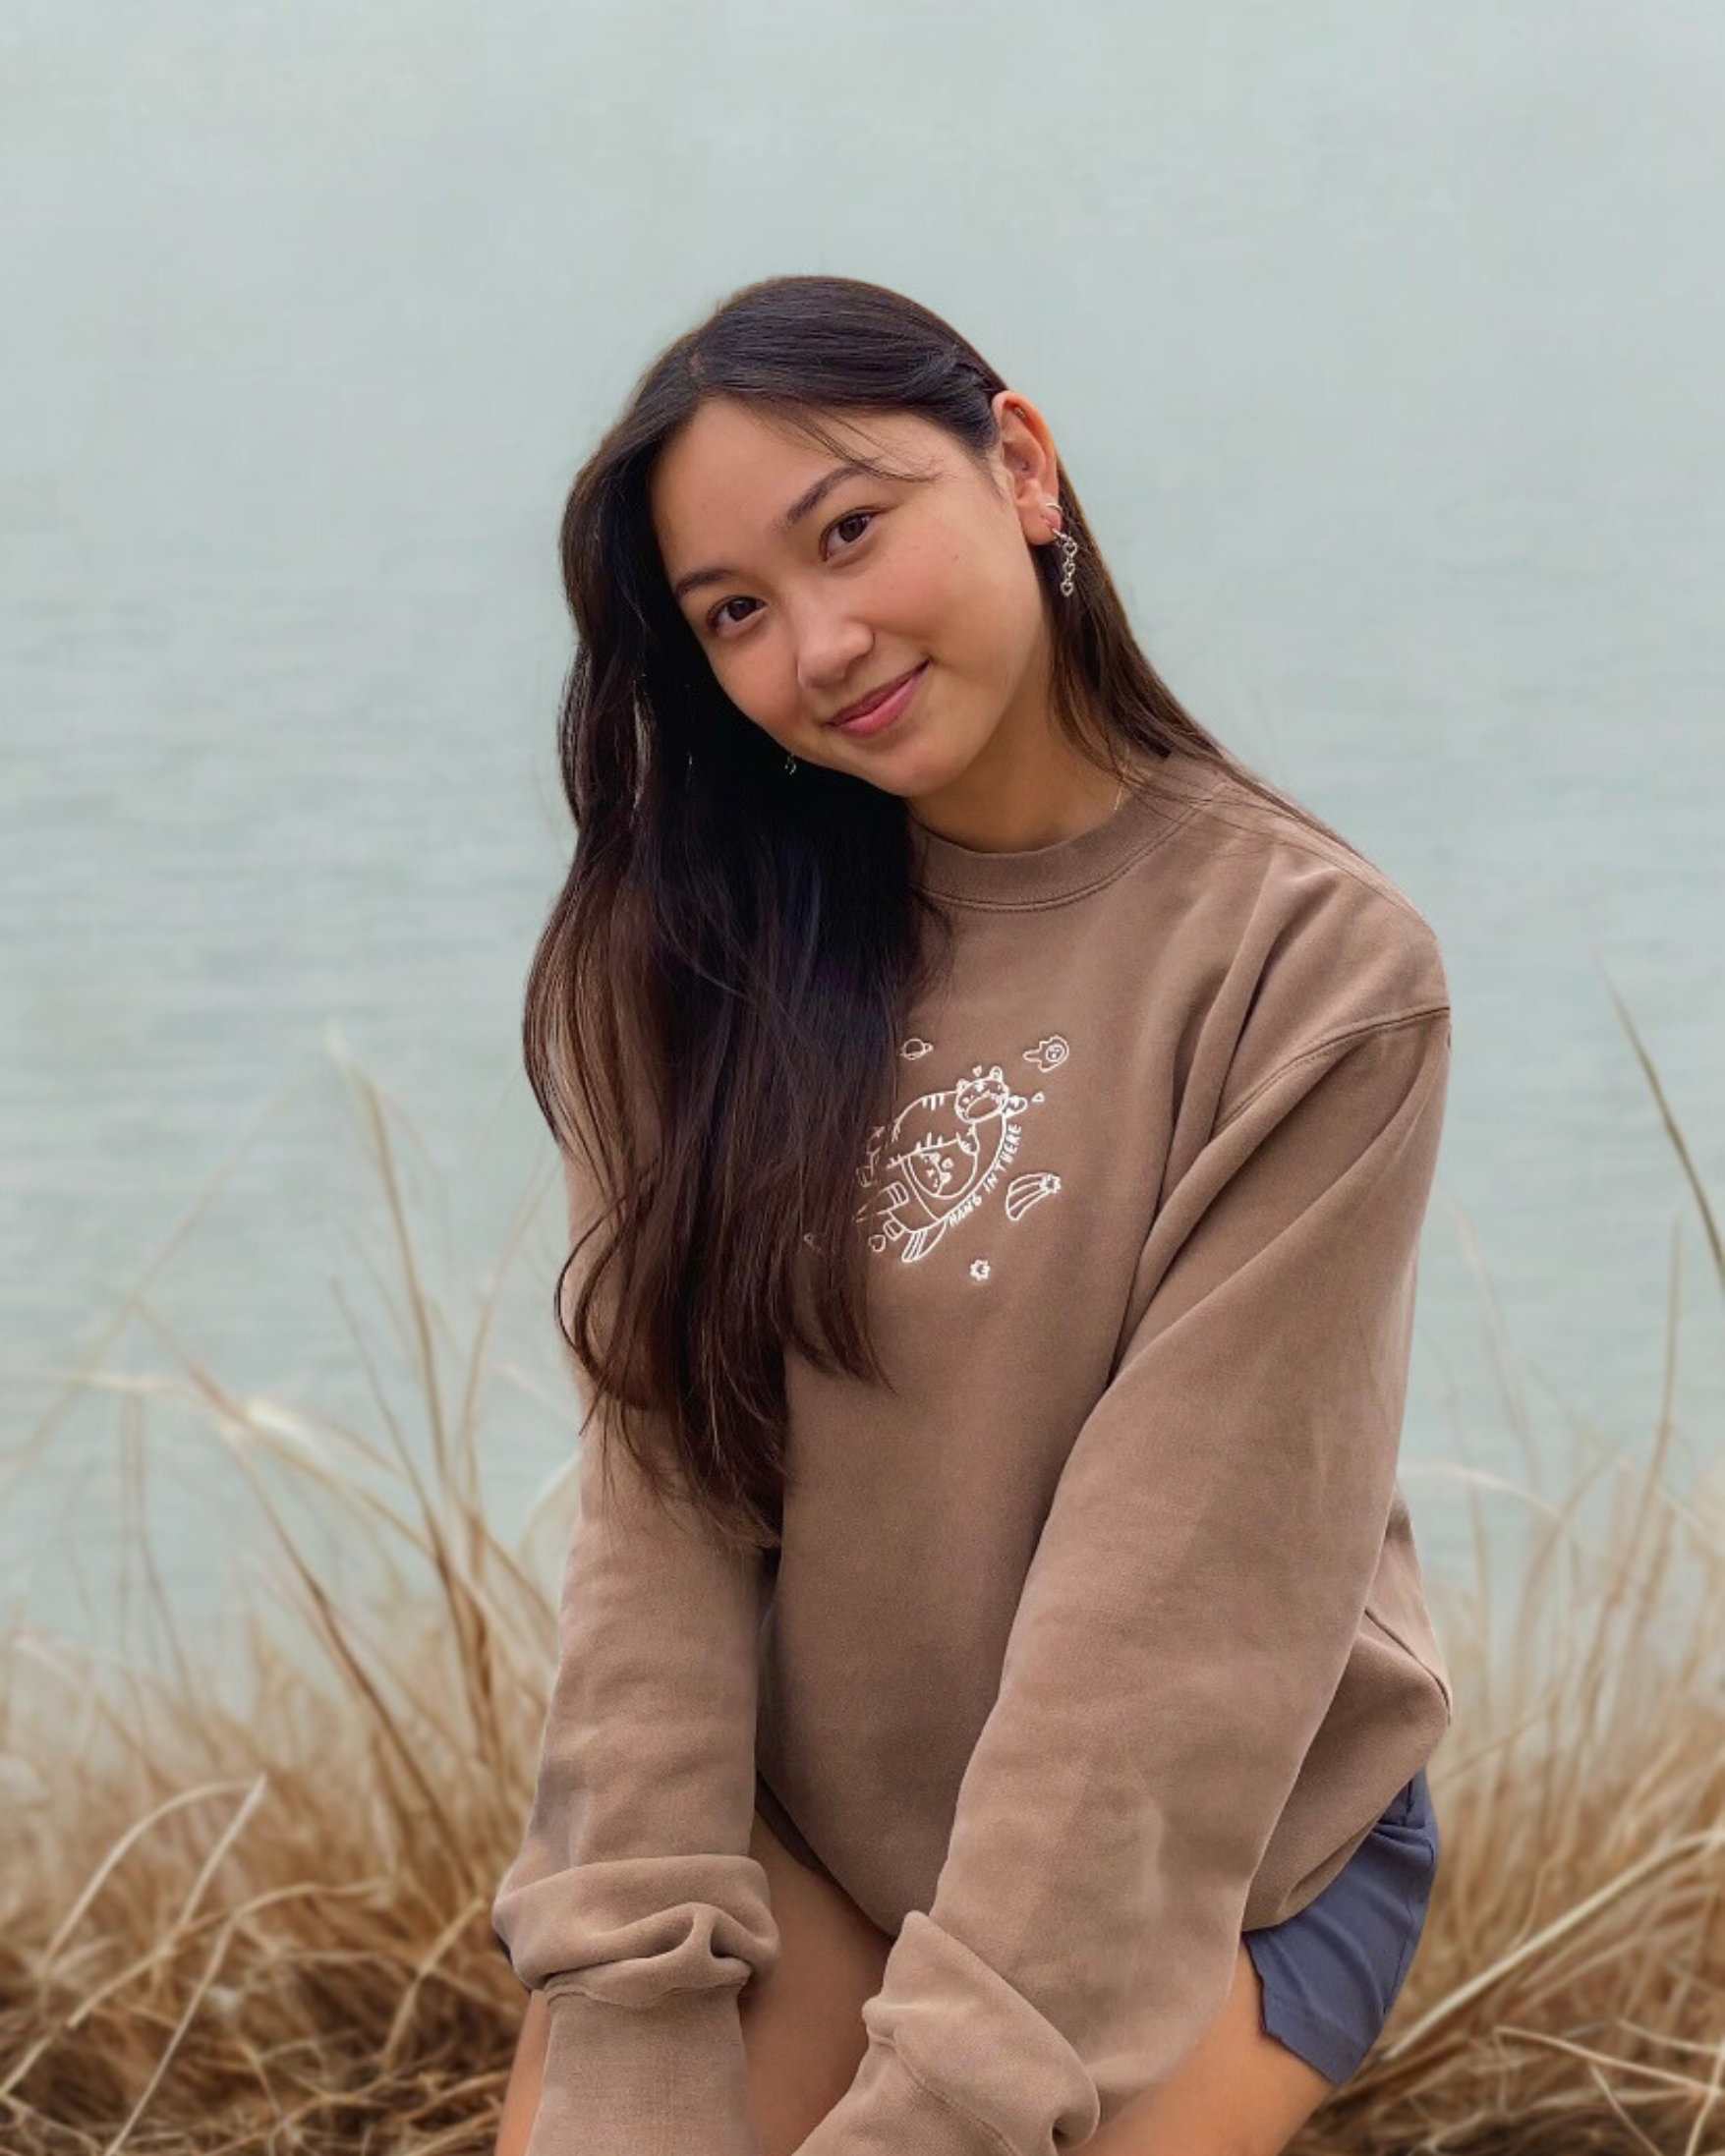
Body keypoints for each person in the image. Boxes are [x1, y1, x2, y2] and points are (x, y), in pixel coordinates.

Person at [489, 272, 1451, 2156]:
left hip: (1218, 1844)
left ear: (1016, 464)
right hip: (817, 1814)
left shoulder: (1311, 969)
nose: (820, 641)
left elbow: (1171, 1622)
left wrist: (937, 2107)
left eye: (849, 529)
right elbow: (660, 1536)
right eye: (737, 615)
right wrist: (628, 2000)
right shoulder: (687, 961)